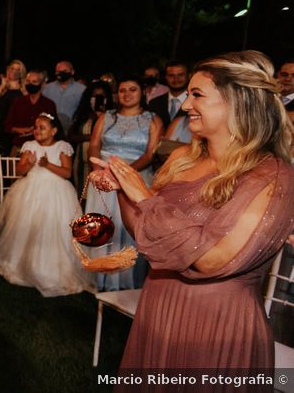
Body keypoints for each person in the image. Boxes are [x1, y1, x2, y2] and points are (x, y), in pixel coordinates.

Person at [97, 50, 294, 375]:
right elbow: (147, 233)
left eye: (197, 95)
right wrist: (121, 188)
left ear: (238, 101)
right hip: (158, 308)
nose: (186, 105)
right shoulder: (181, 159)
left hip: (216, 324)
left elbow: (212, 260)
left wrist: (144, 196)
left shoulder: (273, 177)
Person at [0, 113, 94, 297]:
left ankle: (51, 268)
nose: (37, 131)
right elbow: (19, 171)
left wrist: (47, 164)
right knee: (27, 227)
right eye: (35, 127)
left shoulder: (62, 147)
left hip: (57, 192)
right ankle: (21, 264)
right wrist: (27, 164)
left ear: (54, 131)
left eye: (42, 127)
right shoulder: (29, 146)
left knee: (53, 228)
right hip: (31, 189)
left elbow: (67, 173)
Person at [86, 76, 162, 291]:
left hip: (135, 177)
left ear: (142, 93)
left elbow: (149, 154)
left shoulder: (153, 120)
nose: (127, 94)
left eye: (132, 89)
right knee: (101, 226)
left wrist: (123, 175)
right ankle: (98, 274)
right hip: (103, 175)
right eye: (122, 90)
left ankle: (126, 278)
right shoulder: (106, 117)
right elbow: (94, 145)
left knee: (129, 227)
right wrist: (99, 171)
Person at [68, 81, 113, 189]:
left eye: (101, 96)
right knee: (82, 194)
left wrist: (101, 117)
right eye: (94, 96)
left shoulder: (113, 116)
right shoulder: (82, 115)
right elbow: (70, 136)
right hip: (81, 163)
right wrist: (89, 137)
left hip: (103, 164)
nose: (97, 98)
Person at [3, 70, 57, 154]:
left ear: (42, 84)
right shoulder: (18, 102)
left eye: (34, 82)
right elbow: (7, 125)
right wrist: (19, 130)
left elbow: (54, 127)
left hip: (42, 148)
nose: (30, 84)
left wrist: (38, 130)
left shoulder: (49, 104)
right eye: (28, 81)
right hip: (19, 147)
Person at [42, 60, 86, 134]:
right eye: (58, 71)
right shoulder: (47, 88)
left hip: (73, 131)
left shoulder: (82, 90)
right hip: (50, 131)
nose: (61, 73)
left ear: (72, 72)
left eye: (64, 70)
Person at [147, 60, 189, 130]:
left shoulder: (196, 103)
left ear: (189, 76)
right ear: (166, 77)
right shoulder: (154, 103)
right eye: (171, 75)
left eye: (180, 75)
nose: (176, 79)